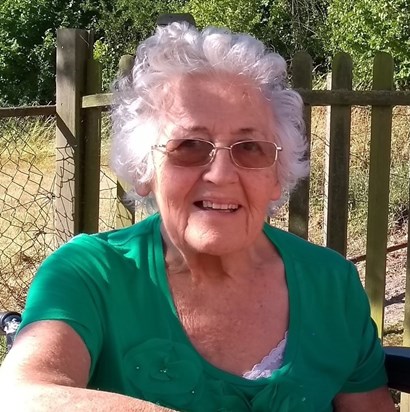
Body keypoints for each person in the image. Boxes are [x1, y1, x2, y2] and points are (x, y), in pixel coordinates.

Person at [0, 22, 395, 412]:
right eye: (188, 145)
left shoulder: (331, 283)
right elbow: (24, 395)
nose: (221, 174)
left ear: (277, 176)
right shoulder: (90, 274)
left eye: (251, 148)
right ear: (143, 169)